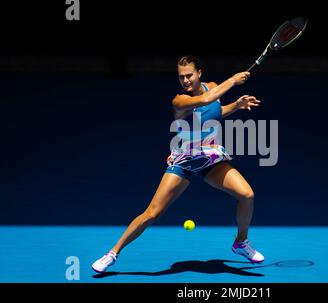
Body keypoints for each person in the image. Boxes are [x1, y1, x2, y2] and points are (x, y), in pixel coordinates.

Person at [92, 55, 263, 273]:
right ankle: (112, 254)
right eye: (181, 77)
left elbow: (215, 111)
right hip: (185, 160)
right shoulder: (180, 100)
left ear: (199, 73)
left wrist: (236, 106)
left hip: (210, 158)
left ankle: (241, 243)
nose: (185, 80)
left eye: (189, 75)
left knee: (247, 195)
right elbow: (203, 101)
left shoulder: (211, 88)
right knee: (152, 213)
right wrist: (231, 81)